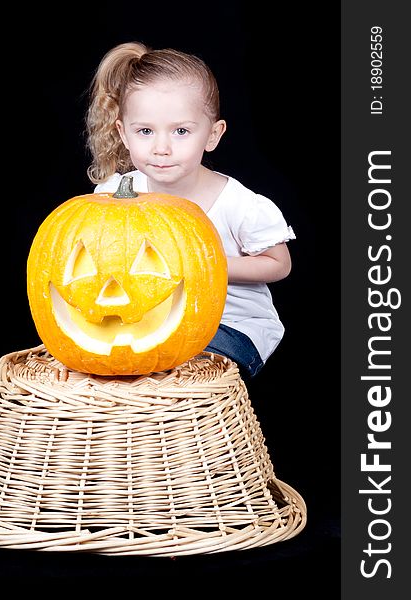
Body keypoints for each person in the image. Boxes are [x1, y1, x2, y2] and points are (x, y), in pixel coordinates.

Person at [84, 41, 295, 378]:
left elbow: (278, 265)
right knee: (100, 359)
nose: (162, 148)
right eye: (145, 131)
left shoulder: (239, 204)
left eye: (181, 131)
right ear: (123, 134)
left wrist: (204, 263)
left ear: (212, 135)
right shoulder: (117, 195)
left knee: (176, 367)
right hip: (149, 317)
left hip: (229, 327)